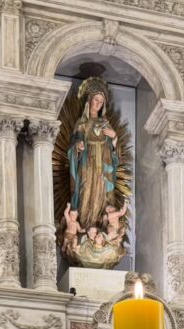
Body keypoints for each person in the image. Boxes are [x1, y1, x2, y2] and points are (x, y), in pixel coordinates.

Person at [68, 79, 119, 234]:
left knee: (101, 196)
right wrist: (77, 146)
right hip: (86, 167)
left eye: (101, 101)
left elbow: (115, 152)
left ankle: (98, 230)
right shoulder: (82, 124)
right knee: (85, 194)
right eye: (96, 100)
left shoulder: (105, 124)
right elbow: (71, 147)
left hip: (103, 170)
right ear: (89, 100)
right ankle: (83, 228)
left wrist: (114, 136)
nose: (98, 104)